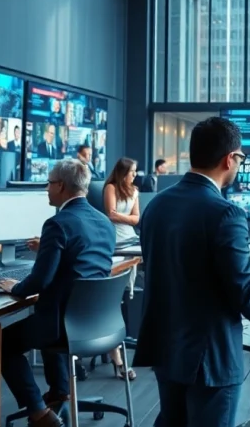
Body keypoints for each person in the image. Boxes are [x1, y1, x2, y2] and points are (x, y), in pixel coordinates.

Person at [133, 117, 250, 427]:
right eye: (241, 158)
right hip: (209, 356)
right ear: (230, 159)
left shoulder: (156, 206)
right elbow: (242, 285)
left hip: (165, 345)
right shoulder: (225, 213)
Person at [0, 159, 115, 427]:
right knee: (49, 313)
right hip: (98, 324)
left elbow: (40, 280)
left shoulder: (57, 223)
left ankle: (39, 412)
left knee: (2, 343)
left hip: (62, 326)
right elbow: (80, 263)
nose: (46, 189)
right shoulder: (104, 222)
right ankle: (60, 392)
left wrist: (14, 286)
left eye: (48, 183)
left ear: (61, 186)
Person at [101, 157, 140, 380]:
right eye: (132, 171)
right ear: (122, 172)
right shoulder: (111, 187)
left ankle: (116, 343)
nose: (134, 175)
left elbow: (136, 219)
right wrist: (128, 218)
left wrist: (123, 217)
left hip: (131, 242)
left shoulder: (133, 190)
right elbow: (110, 214)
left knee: (122, 296)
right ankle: (117, 357)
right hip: (114, 243)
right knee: (112, 299)